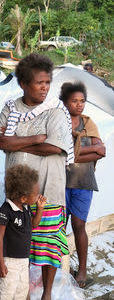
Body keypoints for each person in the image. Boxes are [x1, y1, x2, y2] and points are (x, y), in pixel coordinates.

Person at [0, 53, 74, 300]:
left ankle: (47, 294)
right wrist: (33, 140)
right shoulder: (11, 107)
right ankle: (23, 291)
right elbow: (0, 140)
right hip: (18, 196)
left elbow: (55, 147)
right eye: (39, 82)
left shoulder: (56, 110)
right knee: (20, 243)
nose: (44, 87)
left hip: (48, 190)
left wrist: (16, 144)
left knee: (48, 243)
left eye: (47, 82)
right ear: (23, 84)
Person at [59, 82, 105, 288]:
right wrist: (85, 151)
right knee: (57, 227)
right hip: (60, 182)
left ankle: (82, 270)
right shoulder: (59, 122)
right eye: (74, 101)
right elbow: (59, 152)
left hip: (83, 183)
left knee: (79, 226)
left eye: (82, 101)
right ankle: (58, 269)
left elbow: (101, 150)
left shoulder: (88, 123)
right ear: (65, 102)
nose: (79, 105)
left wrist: (73, 153)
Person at [0, 164, 47, 300]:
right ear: (23, 198)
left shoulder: (25, 209)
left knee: (21, 293)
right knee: (6, 293)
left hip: (24, 261)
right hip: (9, 262)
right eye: (36, 195)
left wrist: (40, 208)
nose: (38, 197)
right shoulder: (5, 211)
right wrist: (0, 262)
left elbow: (33, 225)